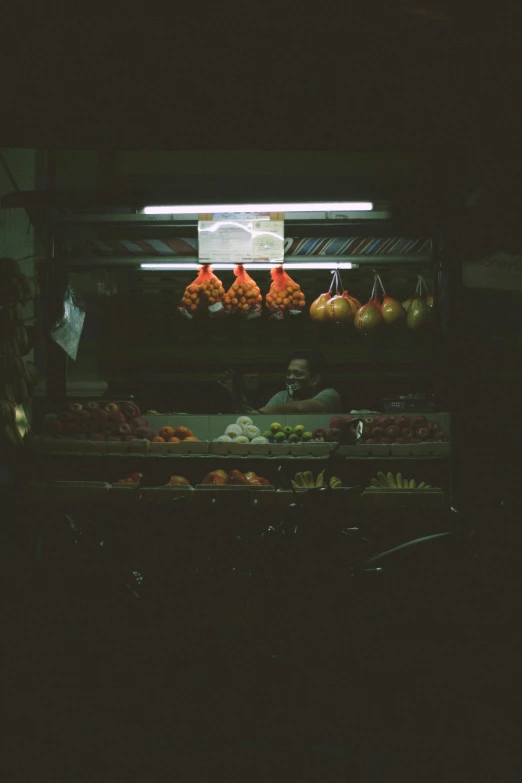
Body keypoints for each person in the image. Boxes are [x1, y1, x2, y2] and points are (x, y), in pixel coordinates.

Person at [219, 349, 342, 414]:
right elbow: (256, 418)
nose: (290, 378)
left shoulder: (330, 395)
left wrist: (261, 412)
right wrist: (235, 393)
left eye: (297, 373)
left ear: (315, 379)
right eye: (288, 373)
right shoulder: (282, 397)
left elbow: (301, 408)